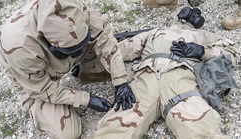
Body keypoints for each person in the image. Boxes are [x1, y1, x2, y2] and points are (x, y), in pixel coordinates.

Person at [90, 7, 240, 139]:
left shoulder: (203, 35)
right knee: (114, 129)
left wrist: (202, 51)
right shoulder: (156, 31)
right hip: (146, 79)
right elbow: (121, 50)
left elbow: (233, 53)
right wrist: (91, 65)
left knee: (201, 130)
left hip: (180, 78)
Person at [0, 0, 136, 138]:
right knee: (69, 133)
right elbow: (40, 88)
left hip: (57, 54)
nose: (78, 54)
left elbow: (103, 35)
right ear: (49, 43)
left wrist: (121, 81)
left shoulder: (73, 9)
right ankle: (38, 109)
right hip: (33, 81)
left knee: (97, 50)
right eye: (71, 51)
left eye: (81, 46)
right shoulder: (19, 47)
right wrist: (86, 99)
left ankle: (85, 72)